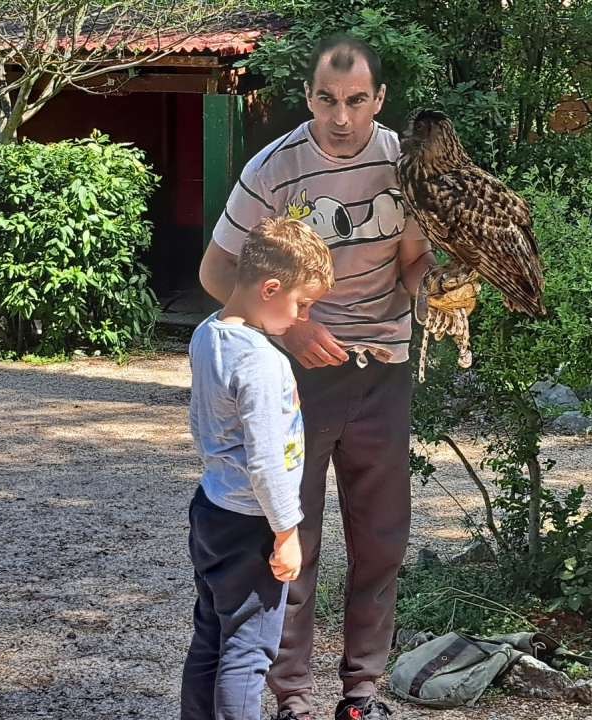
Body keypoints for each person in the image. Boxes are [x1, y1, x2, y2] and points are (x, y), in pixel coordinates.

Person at [198, 34, 438, 720]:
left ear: (379, 99)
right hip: (298, 378)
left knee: (382, 541)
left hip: (383, 372)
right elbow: (217, 272)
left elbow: (414, 264)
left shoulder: (405, 164)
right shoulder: (276, 168)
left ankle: (362, 695)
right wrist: (290, 326)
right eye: (328, 100)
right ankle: (293, 698)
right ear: (308, 98)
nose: (342, 116)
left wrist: (447, 283)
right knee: (290, 541)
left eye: (357, 100)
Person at [181, 217, 335, 720]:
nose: (303, 317)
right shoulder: (264, 364)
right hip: (253, 524)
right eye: (301, 304)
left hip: (212, 509)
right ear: (270, 288)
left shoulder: (208, 333)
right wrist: (287, 532)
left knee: (212, 635)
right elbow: (267, 461)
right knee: (249, 652)